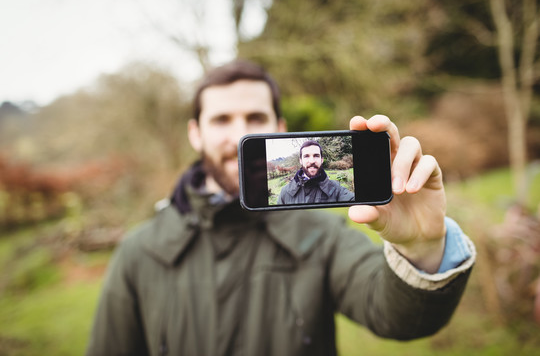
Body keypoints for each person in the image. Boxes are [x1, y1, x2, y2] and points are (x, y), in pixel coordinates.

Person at [86, 59, 476, 356]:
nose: (239, 134)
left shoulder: (321, 236)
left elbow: (395, 315)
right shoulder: (138, 254)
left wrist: (423, 249)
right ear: (195, 133)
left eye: (255, 117)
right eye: (221, 119)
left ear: (280, 126)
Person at [277, 140, 354, 204]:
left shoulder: (337, 190)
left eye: (316, 156)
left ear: (322, 160)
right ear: (300, 160)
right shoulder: (285, 192)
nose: (312, 161)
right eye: (306, 156)